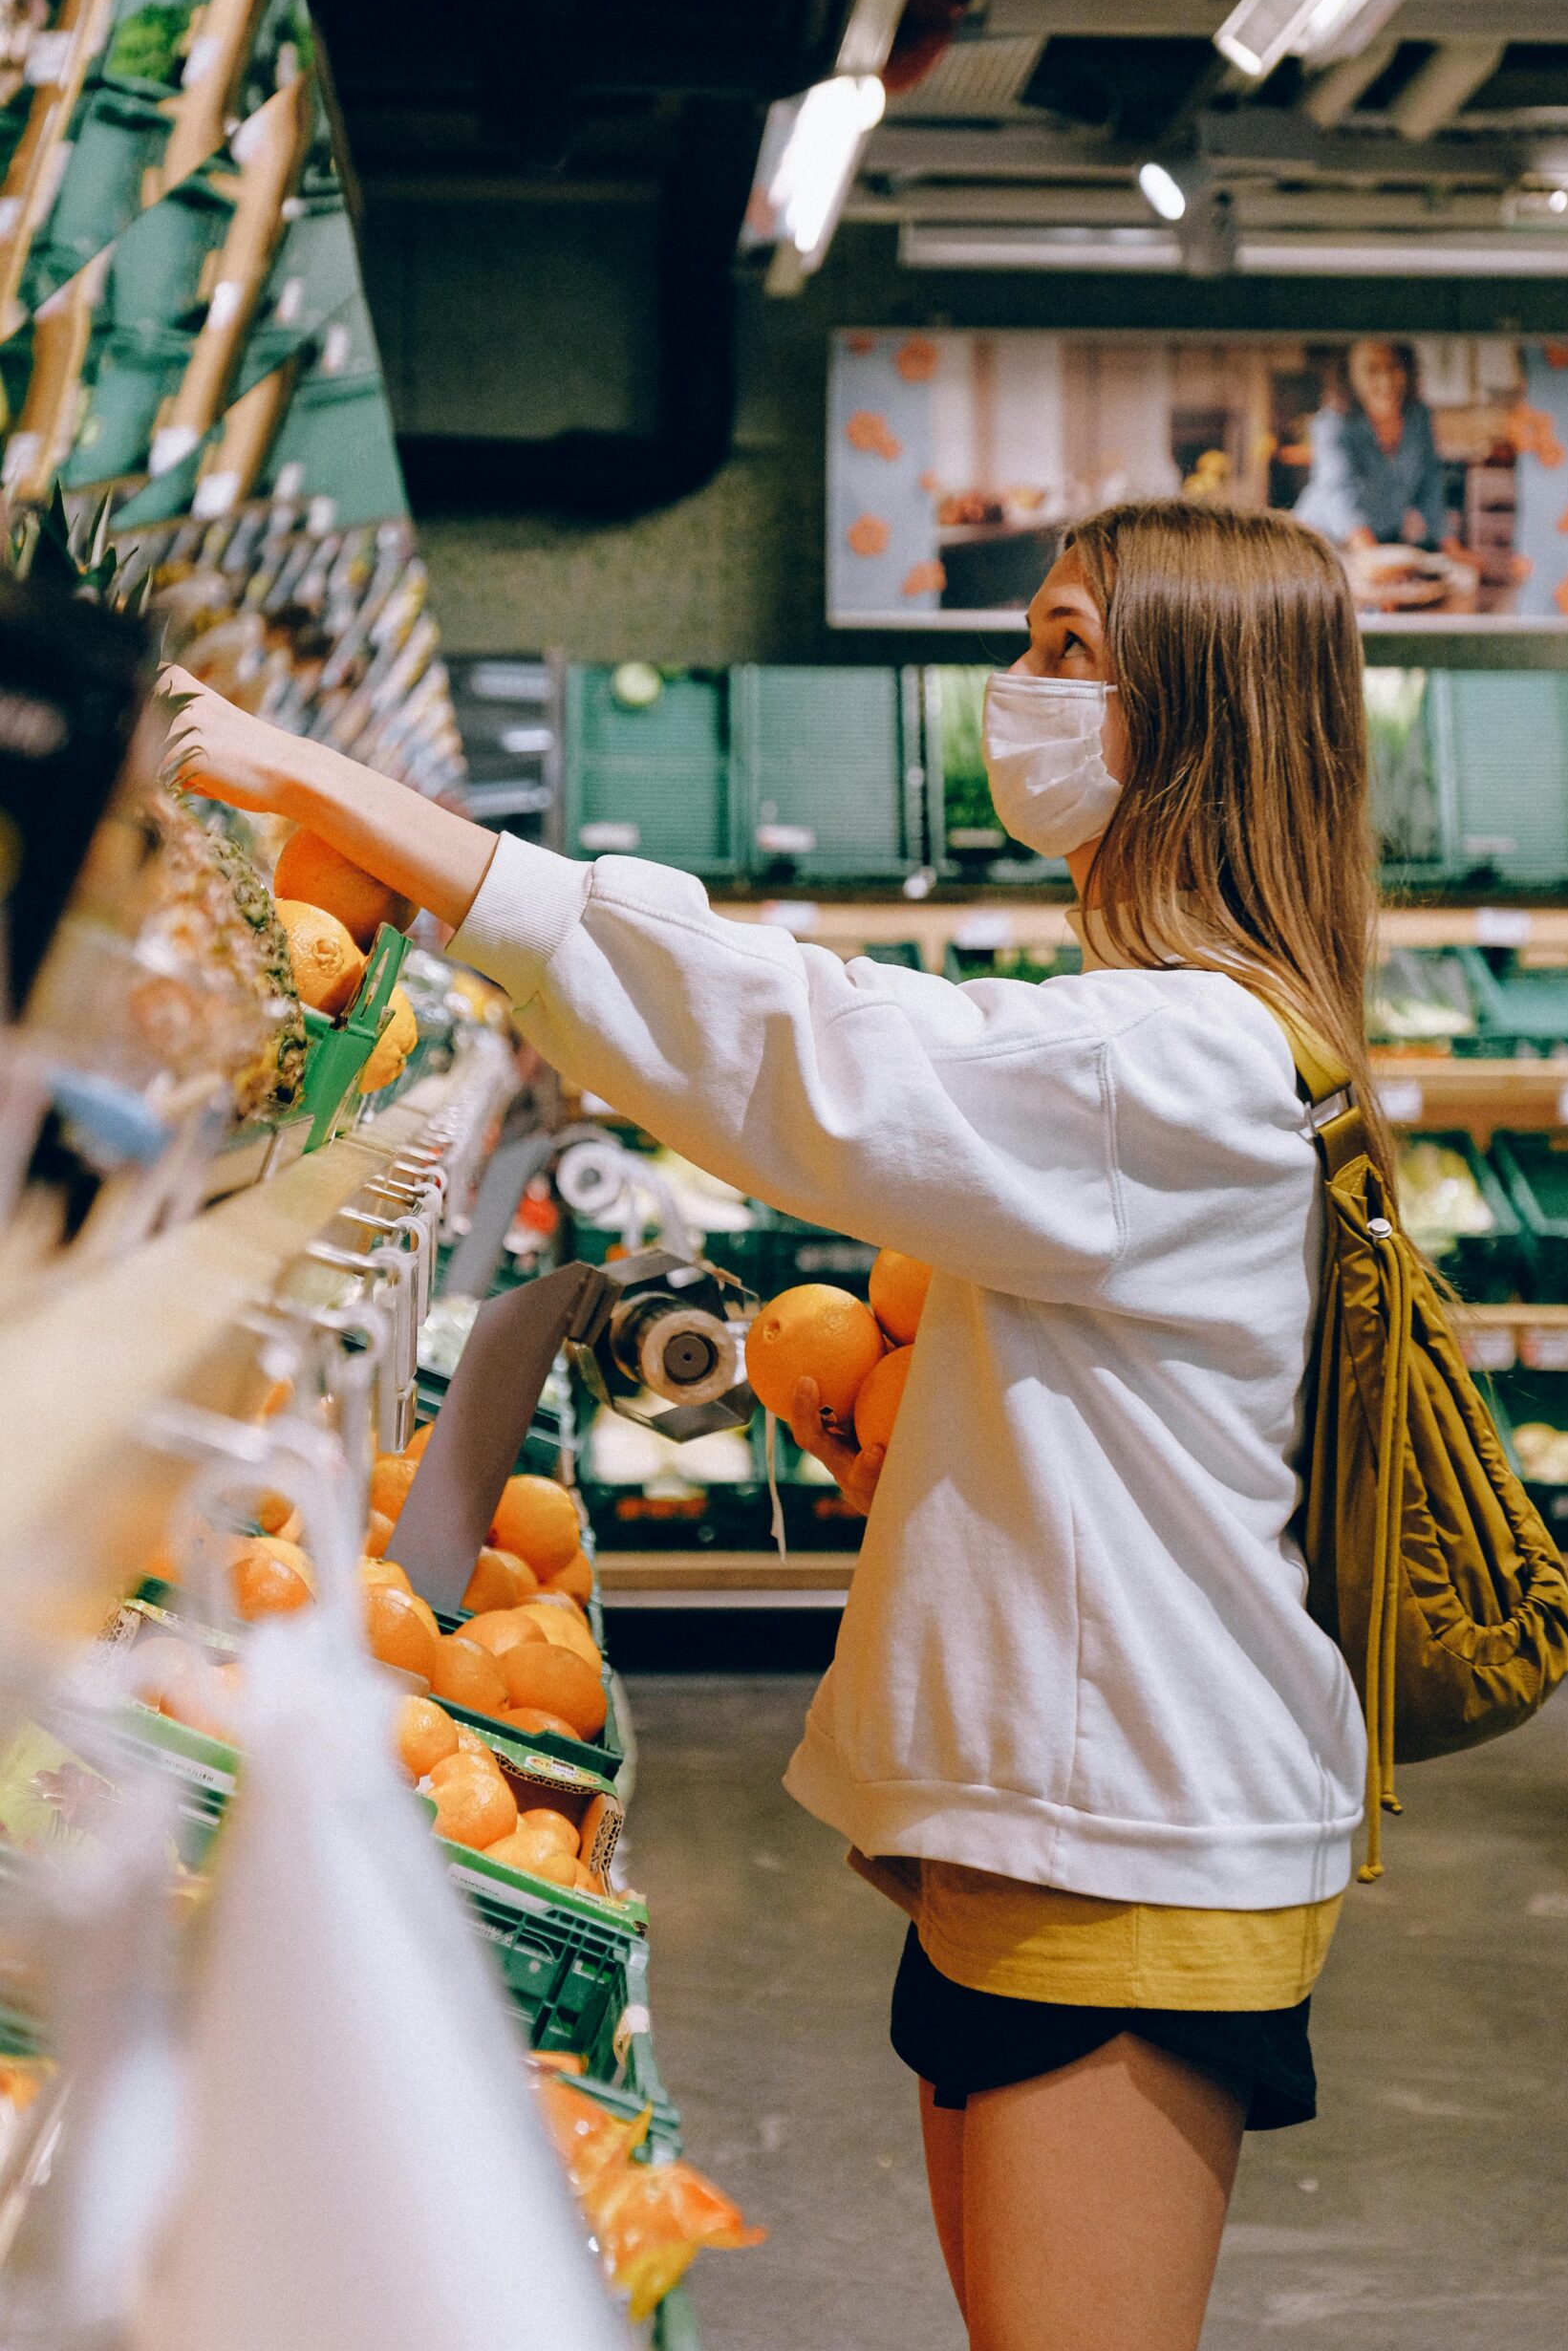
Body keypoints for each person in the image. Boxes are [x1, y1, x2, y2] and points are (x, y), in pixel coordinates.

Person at [164, 496, 1381, 2351]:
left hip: (1123, 1842)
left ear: (1194, 711)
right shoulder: (1156, 1033)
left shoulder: (1179, 1060)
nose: (1016, 687)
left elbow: (809, 1045)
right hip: (1037, 1826)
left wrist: (364, 811)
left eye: (1065, 646)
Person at [1295, 338, 1453, 551]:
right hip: (1321, 543)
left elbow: (1430, 487)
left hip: (1381, 540)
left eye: (1393, 366)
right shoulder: (1333, 424)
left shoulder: (1419, 417)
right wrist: (1371, 556)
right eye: (1372, 369)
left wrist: (1452, 547)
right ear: (1350, 376)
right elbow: (1337, 493)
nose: (1386, 380)